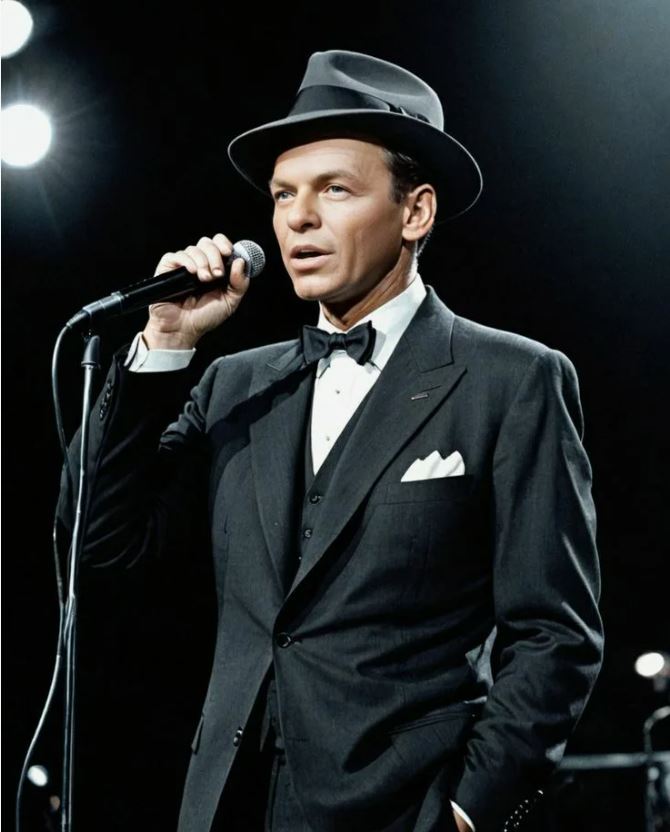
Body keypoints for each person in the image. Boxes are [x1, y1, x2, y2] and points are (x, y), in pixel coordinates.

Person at [58, 50, 604, 832]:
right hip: (228, 805)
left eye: (334, 190)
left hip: (401, 807)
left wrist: (467, 810)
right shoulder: (235, 384)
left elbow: (555, 633)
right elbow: (102, 549)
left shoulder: (512, 379)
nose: (298, 219)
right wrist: (166, 345)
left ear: (416, 213)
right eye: (284, 194)